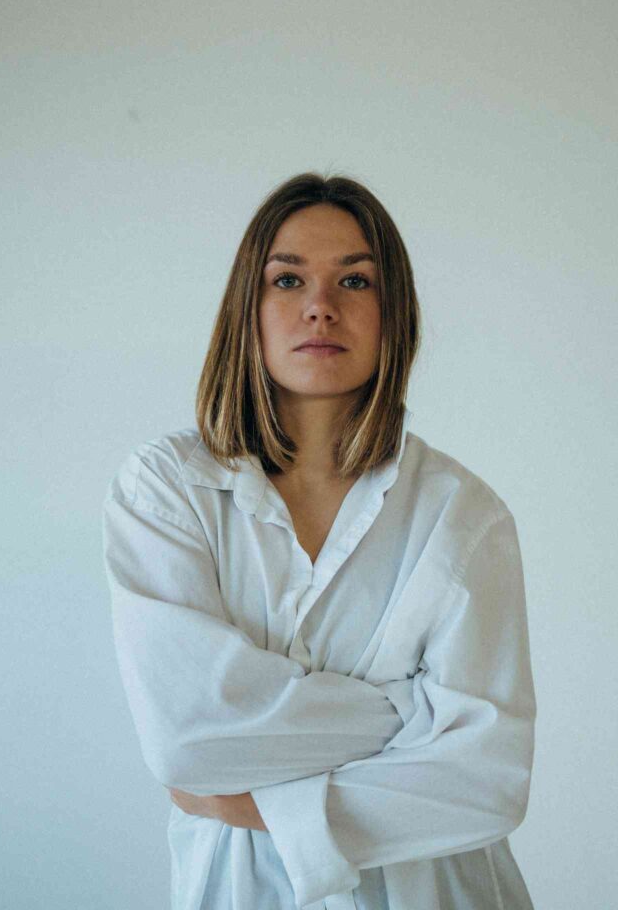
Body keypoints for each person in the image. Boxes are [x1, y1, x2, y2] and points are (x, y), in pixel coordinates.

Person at [102, 171, 537, 910]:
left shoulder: (463, 515)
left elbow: (486, 780)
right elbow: (189, 741)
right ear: (247, 307)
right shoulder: (167, 488)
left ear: (393, 314)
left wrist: (262, 805)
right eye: (288, 278)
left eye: (355, 280)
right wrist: (413, 715)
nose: (320, 306)